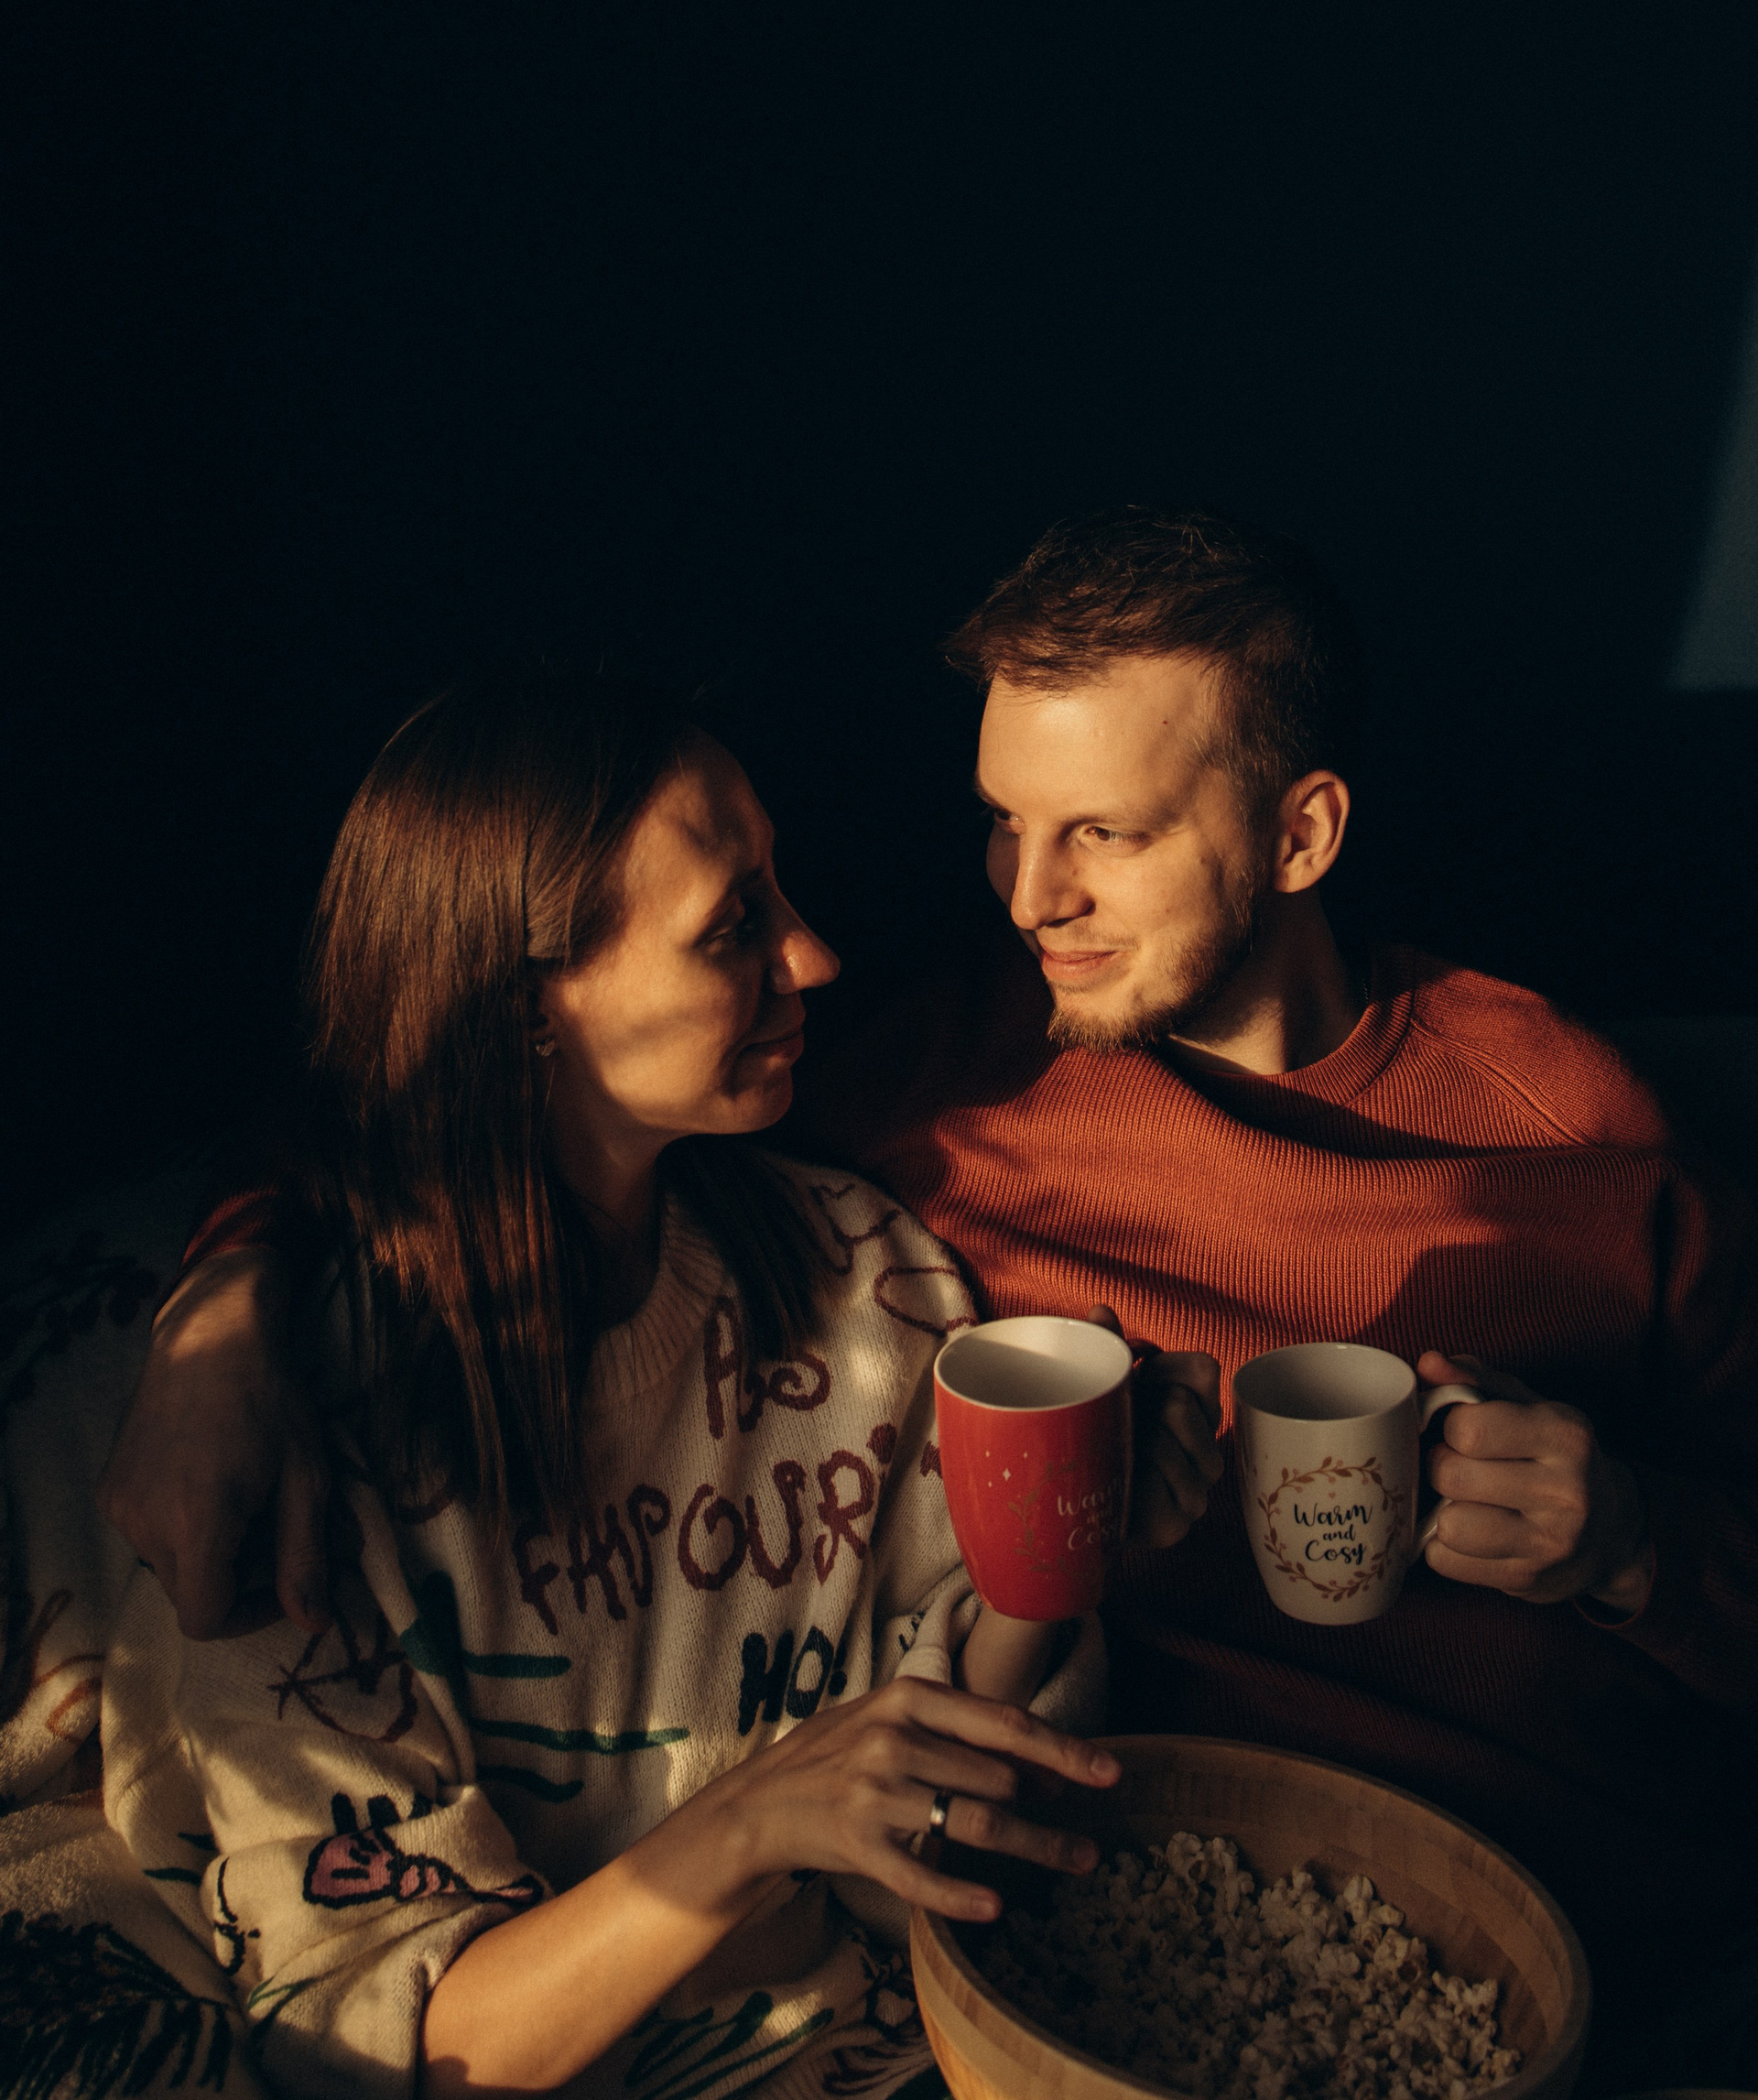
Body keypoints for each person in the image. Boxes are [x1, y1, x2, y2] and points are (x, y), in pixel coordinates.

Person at [99, 512, 1758, 2088]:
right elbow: (443, 1078)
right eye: (1005, 820)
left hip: (1578, 1926)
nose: (1030, 896)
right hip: (1148, 1925)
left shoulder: (1583, 1140)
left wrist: (1632, 1546)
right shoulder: (941, 1082)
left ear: (1300, 833)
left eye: (1103, 832)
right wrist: (222, 1309)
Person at [16, 665, 1226, 2100]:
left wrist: (1053, 1554)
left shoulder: (867, 1281)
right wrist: (749, 1823)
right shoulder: (300, 1426)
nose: (816, 954)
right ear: (526, 1010)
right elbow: (378, 2047)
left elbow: (918, 1840)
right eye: (733, 925)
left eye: (780, 889)